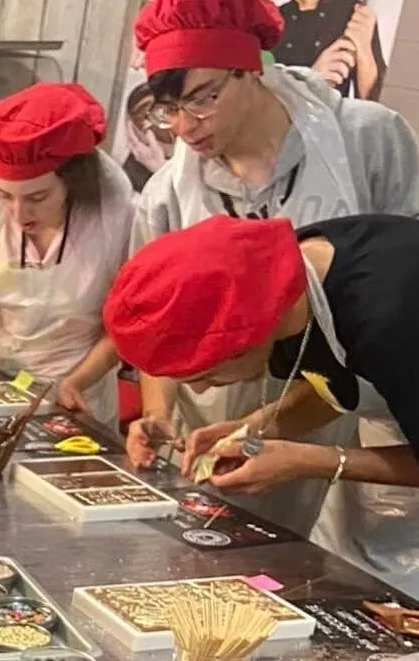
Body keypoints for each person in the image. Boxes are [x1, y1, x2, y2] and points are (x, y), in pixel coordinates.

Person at [123, 0, 419, 542]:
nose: (186, 127)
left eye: (203, 99)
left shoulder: (367, 143)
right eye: (168, 109)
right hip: (316, 409)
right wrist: (253, 427)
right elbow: (334, 374)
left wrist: (316, 458)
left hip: (383, 417)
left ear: (249, 66)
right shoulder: (170, 193)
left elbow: (378, 328)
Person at [106, 213, 419, 590]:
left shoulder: (390, 319)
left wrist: (309, 461)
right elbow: (346, 386)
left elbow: (382, 363)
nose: (204, 391)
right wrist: (254, 429)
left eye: (203, 376)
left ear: (242, 343)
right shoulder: (283, 284)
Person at [0, 82, 136, 429]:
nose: (19, 214)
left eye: (37, 197)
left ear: (74, 183)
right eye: (6, 196)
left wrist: (73, 383)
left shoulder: (118, 217)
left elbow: (121, 332)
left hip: (78, 397)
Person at [276, 0, 385, 101]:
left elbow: (379, 102)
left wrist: (364, 49)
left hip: (332, 120)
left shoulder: (352, 13)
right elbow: (264, 96)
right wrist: (312, 79)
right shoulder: (271, 20)